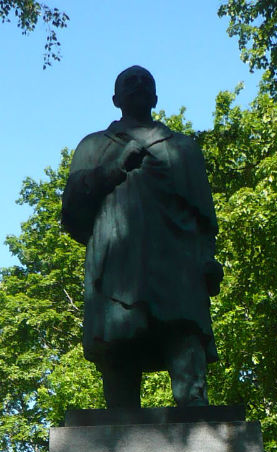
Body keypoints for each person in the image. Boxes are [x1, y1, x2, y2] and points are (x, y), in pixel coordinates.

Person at [61, 65, 223, 409]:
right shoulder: (92, 146)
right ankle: (117, 440)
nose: (137, 85)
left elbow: (204, 217)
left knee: (185, 346)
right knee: (118, 366)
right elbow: (72, 209)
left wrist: (208, 259)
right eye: (129, 82)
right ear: (116, 99)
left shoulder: (183, 149)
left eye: (145, 81)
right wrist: (112, 169)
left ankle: (197, 425)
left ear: (155, 97)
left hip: (178, 269)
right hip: (118, 268)